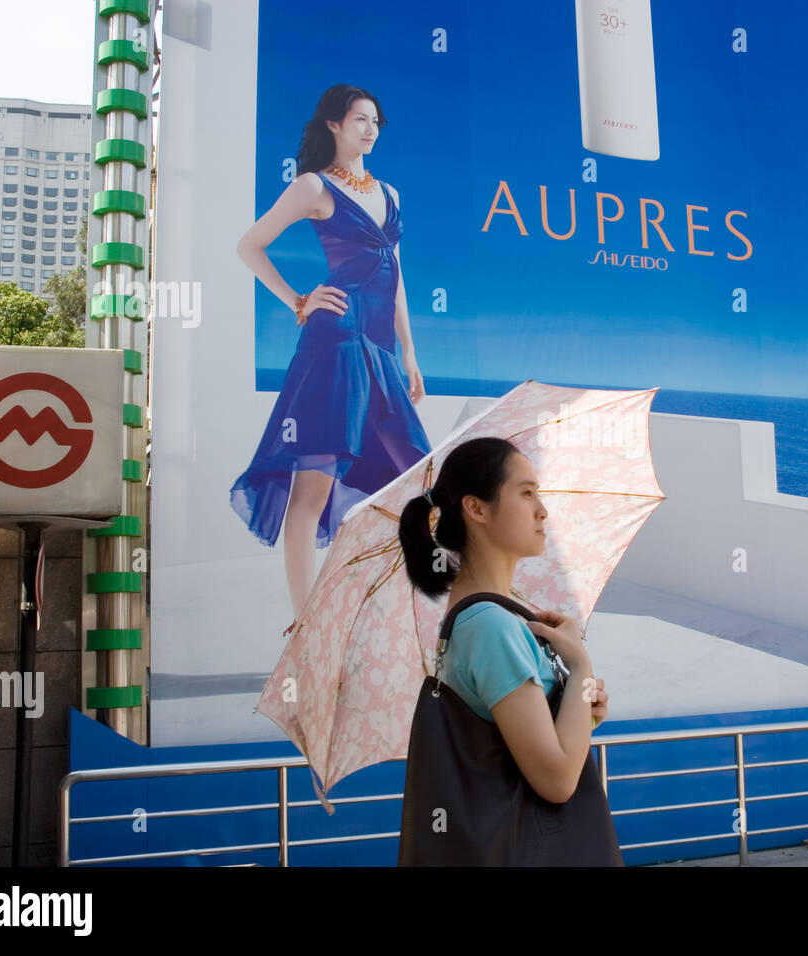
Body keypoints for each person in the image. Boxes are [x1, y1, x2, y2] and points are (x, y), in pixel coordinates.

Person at [230, 84, 432, 622]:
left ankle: (365, 610)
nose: (370, 129)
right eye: (360, 119)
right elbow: (249, 245)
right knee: (312, 487)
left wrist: (409, 353)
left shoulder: (390, 194)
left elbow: (397, 276)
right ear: (334, 127)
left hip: (381, 352)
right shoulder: (311, 187)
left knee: (408, 483)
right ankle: (306, 623)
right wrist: (299, 299)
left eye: (376, 121)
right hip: (335, 343)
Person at [397, 436, 615, 813]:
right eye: (527, 493)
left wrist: (578, 710)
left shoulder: (485, 617)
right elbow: (558, 780)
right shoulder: (491, 626)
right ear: (476, 509)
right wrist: (579, 669)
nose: (542, 510)